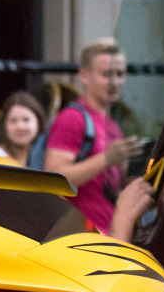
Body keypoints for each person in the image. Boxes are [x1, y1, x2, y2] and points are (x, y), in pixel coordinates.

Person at [43, 39, 154, 242]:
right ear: (84, 75)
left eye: (120, 74)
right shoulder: (73, 118)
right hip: (81, 239)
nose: (115, 82)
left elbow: (116, 182)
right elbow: (54, 176)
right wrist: (106, 158)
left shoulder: (112, 124)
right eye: (107, 74)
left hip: (108, 235)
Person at [0, 91, 45, 167]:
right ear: (3, 125)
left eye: (26, 120)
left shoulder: (47, 158)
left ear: (39, 122)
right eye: (13, 120)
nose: (20, 126)